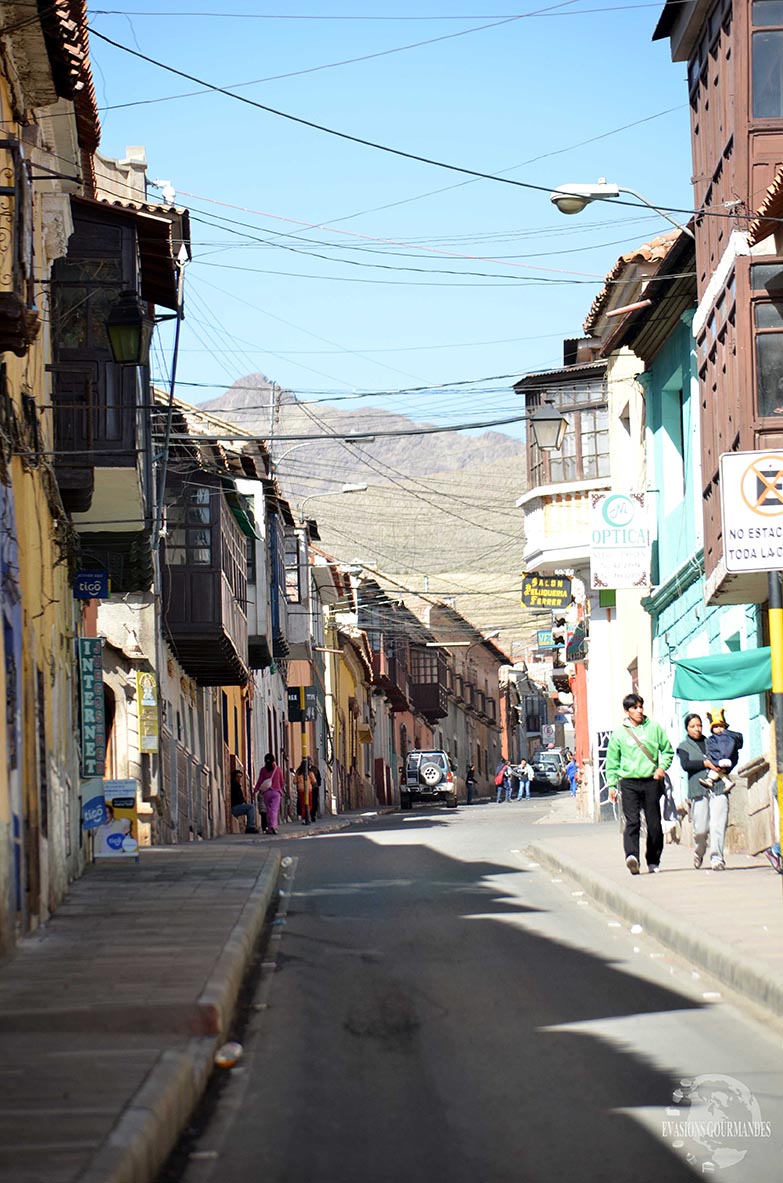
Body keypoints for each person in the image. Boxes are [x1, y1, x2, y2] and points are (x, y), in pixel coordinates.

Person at [606, 693, 674, 875]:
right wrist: (612, 785)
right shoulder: (619, 733)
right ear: (627, 711)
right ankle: (632, 857)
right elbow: (612, 761)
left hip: (651, 781)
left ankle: (653, 860)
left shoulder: (653, 728)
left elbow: (667, 751)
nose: (639, 710)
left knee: (653, 824)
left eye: (640, 706)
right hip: (628, 782)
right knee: (632, 821)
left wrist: (662, 768)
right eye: (635, 707)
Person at [678, 712, 731, 871]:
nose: (697, 729)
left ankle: (717, 859)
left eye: (699, 725)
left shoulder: (712, 741)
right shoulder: (683, 746)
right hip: (698, 789)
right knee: (700, 829)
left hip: (718, 786)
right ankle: (699, 851)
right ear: (687, 728)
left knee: (718, 823)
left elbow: (726, 755)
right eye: (693, 726)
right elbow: (686, 765)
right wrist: (706, 764)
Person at [699, 707, 744, 792]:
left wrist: (717, 763)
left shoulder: (730, 738)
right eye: (716, 726)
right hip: (719, 763)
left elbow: (733, 752)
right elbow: (711, 752)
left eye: (721, 726)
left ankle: (710, 780)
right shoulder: (711, 740)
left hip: (725, 762)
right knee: (719, 772)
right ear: (712, 729)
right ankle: (727, 782)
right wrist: (716, 763)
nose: (719, 728)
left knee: (715, 771)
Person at [255, 753, 284, 834]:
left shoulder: (263, 770)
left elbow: (260, 781)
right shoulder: (278, 769)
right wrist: (280, 788)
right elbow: (282, 781)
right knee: (274, 810)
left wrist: (256, 789)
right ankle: (273, 826)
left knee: (268, 810)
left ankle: (269, 828)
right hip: (276, 793)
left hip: (266, 793)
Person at [230, 769, 259, 834]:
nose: (239, 778)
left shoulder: (237, 785)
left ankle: (250, 825)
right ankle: (250, 827)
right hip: (234, 808)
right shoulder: (234, 785)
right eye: (237, 776)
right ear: (234, 777)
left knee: (250, 807)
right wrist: (243, 800)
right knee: (251, 807)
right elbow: (238, 798)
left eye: (240, 777)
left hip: (237, 806)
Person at [296, 758, 316, 825]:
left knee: (302, 804)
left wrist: (299, 782)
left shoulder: (298, 772)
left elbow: (294, 781)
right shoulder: (309, 772)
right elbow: (314, 781)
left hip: (301, 789)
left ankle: (303, 818)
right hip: (308, 789)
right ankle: (305, 817)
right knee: (309, 804)